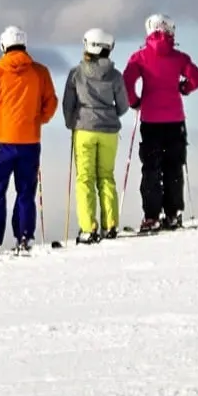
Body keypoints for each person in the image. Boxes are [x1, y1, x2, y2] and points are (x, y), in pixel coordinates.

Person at [0, 25, 58, 255]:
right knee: (26, 191)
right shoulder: (40, 72)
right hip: (30, 141)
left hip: (3, 142)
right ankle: (25, 237)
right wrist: (38, 120)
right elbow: (51, 103)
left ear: (3, 46)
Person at [124, 13, 198, 231]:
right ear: (170, 31)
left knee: (151, 168)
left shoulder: (139, 57)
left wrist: (135, 102)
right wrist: (183, 88)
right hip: (175, 120)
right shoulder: (179, 58)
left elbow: (127, 80)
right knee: (174, 167)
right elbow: (197, 78)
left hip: (150, 120)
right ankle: (173, 214)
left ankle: (151, 217)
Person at [60, 27, 125, 243]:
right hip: (109, 131)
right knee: (106, 176)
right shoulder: (115, 76)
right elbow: (123, 105)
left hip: (84, 130)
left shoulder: (76, 74)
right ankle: (111, 225)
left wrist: (72, 123)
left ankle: (88, 229)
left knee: (85, 179)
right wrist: (110, 115)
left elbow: (68, 104)